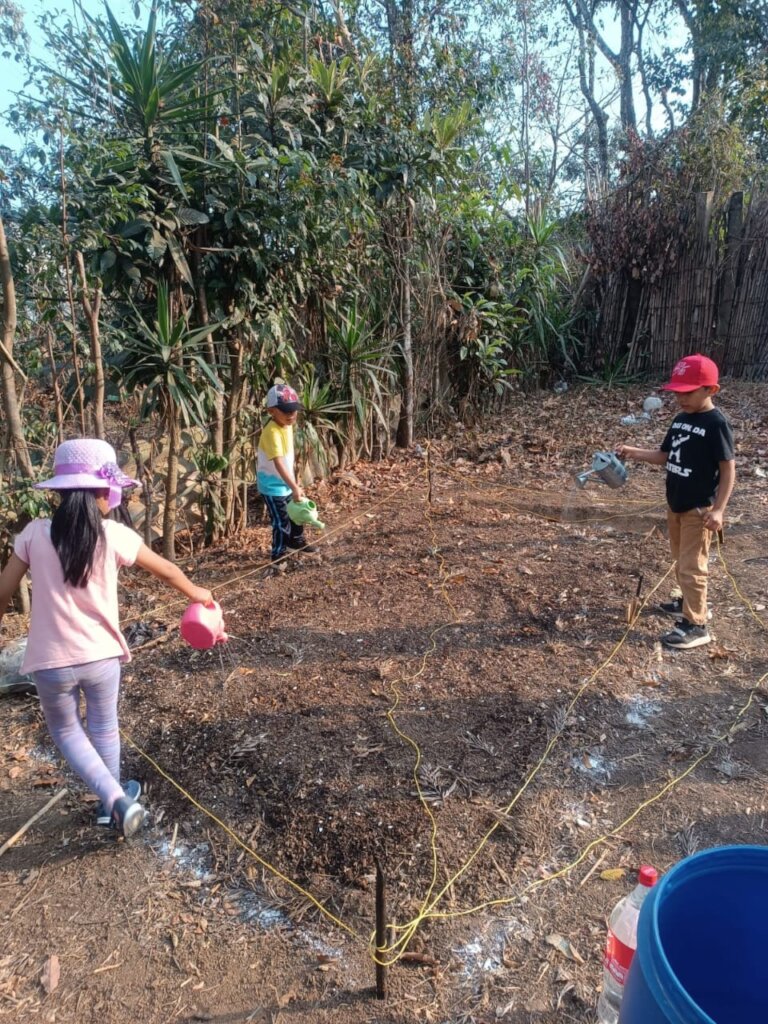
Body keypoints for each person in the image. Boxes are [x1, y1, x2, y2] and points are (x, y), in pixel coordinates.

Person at [0, 439, 213, 837]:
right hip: (101, 658)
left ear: (61, 491)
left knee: (66, 732)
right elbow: (167, 570)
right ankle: (113, 802)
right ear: (103, 492)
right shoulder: (113, 534)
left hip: (50, 662)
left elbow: (3, 590)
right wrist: (197, 593)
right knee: (103, 727)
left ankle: (113, 799)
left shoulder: (34, 534)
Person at [617, 354, 735, 650]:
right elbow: (664, 456)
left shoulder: (716, 424)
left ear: (711, 390)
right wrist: (633, 452)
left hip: (699, 509)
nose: (681, 398)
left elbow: (728, 469)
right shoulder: (681, 420)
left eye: (688, 392)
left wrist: (719, 510)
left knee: (693, 566)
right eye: (677, 392)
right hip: (676, 504)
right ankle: (688, 602)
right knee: (680, 560)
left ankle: (696, 625)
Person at [256, 382, 314, 566]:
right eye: (286, 411)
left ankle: (296, 541)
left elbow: (288, 458)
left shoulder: (287, 426)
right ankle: (278, 555)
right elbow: (279, 462)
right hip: (273, 487)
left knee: (296, 513)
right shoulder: (272, 432)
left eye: (293, 410)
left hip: (287, 483)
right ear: (271, 411)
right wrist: (294, 486)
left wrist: (294, 482)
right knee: (281, 521)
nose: (291, 415)